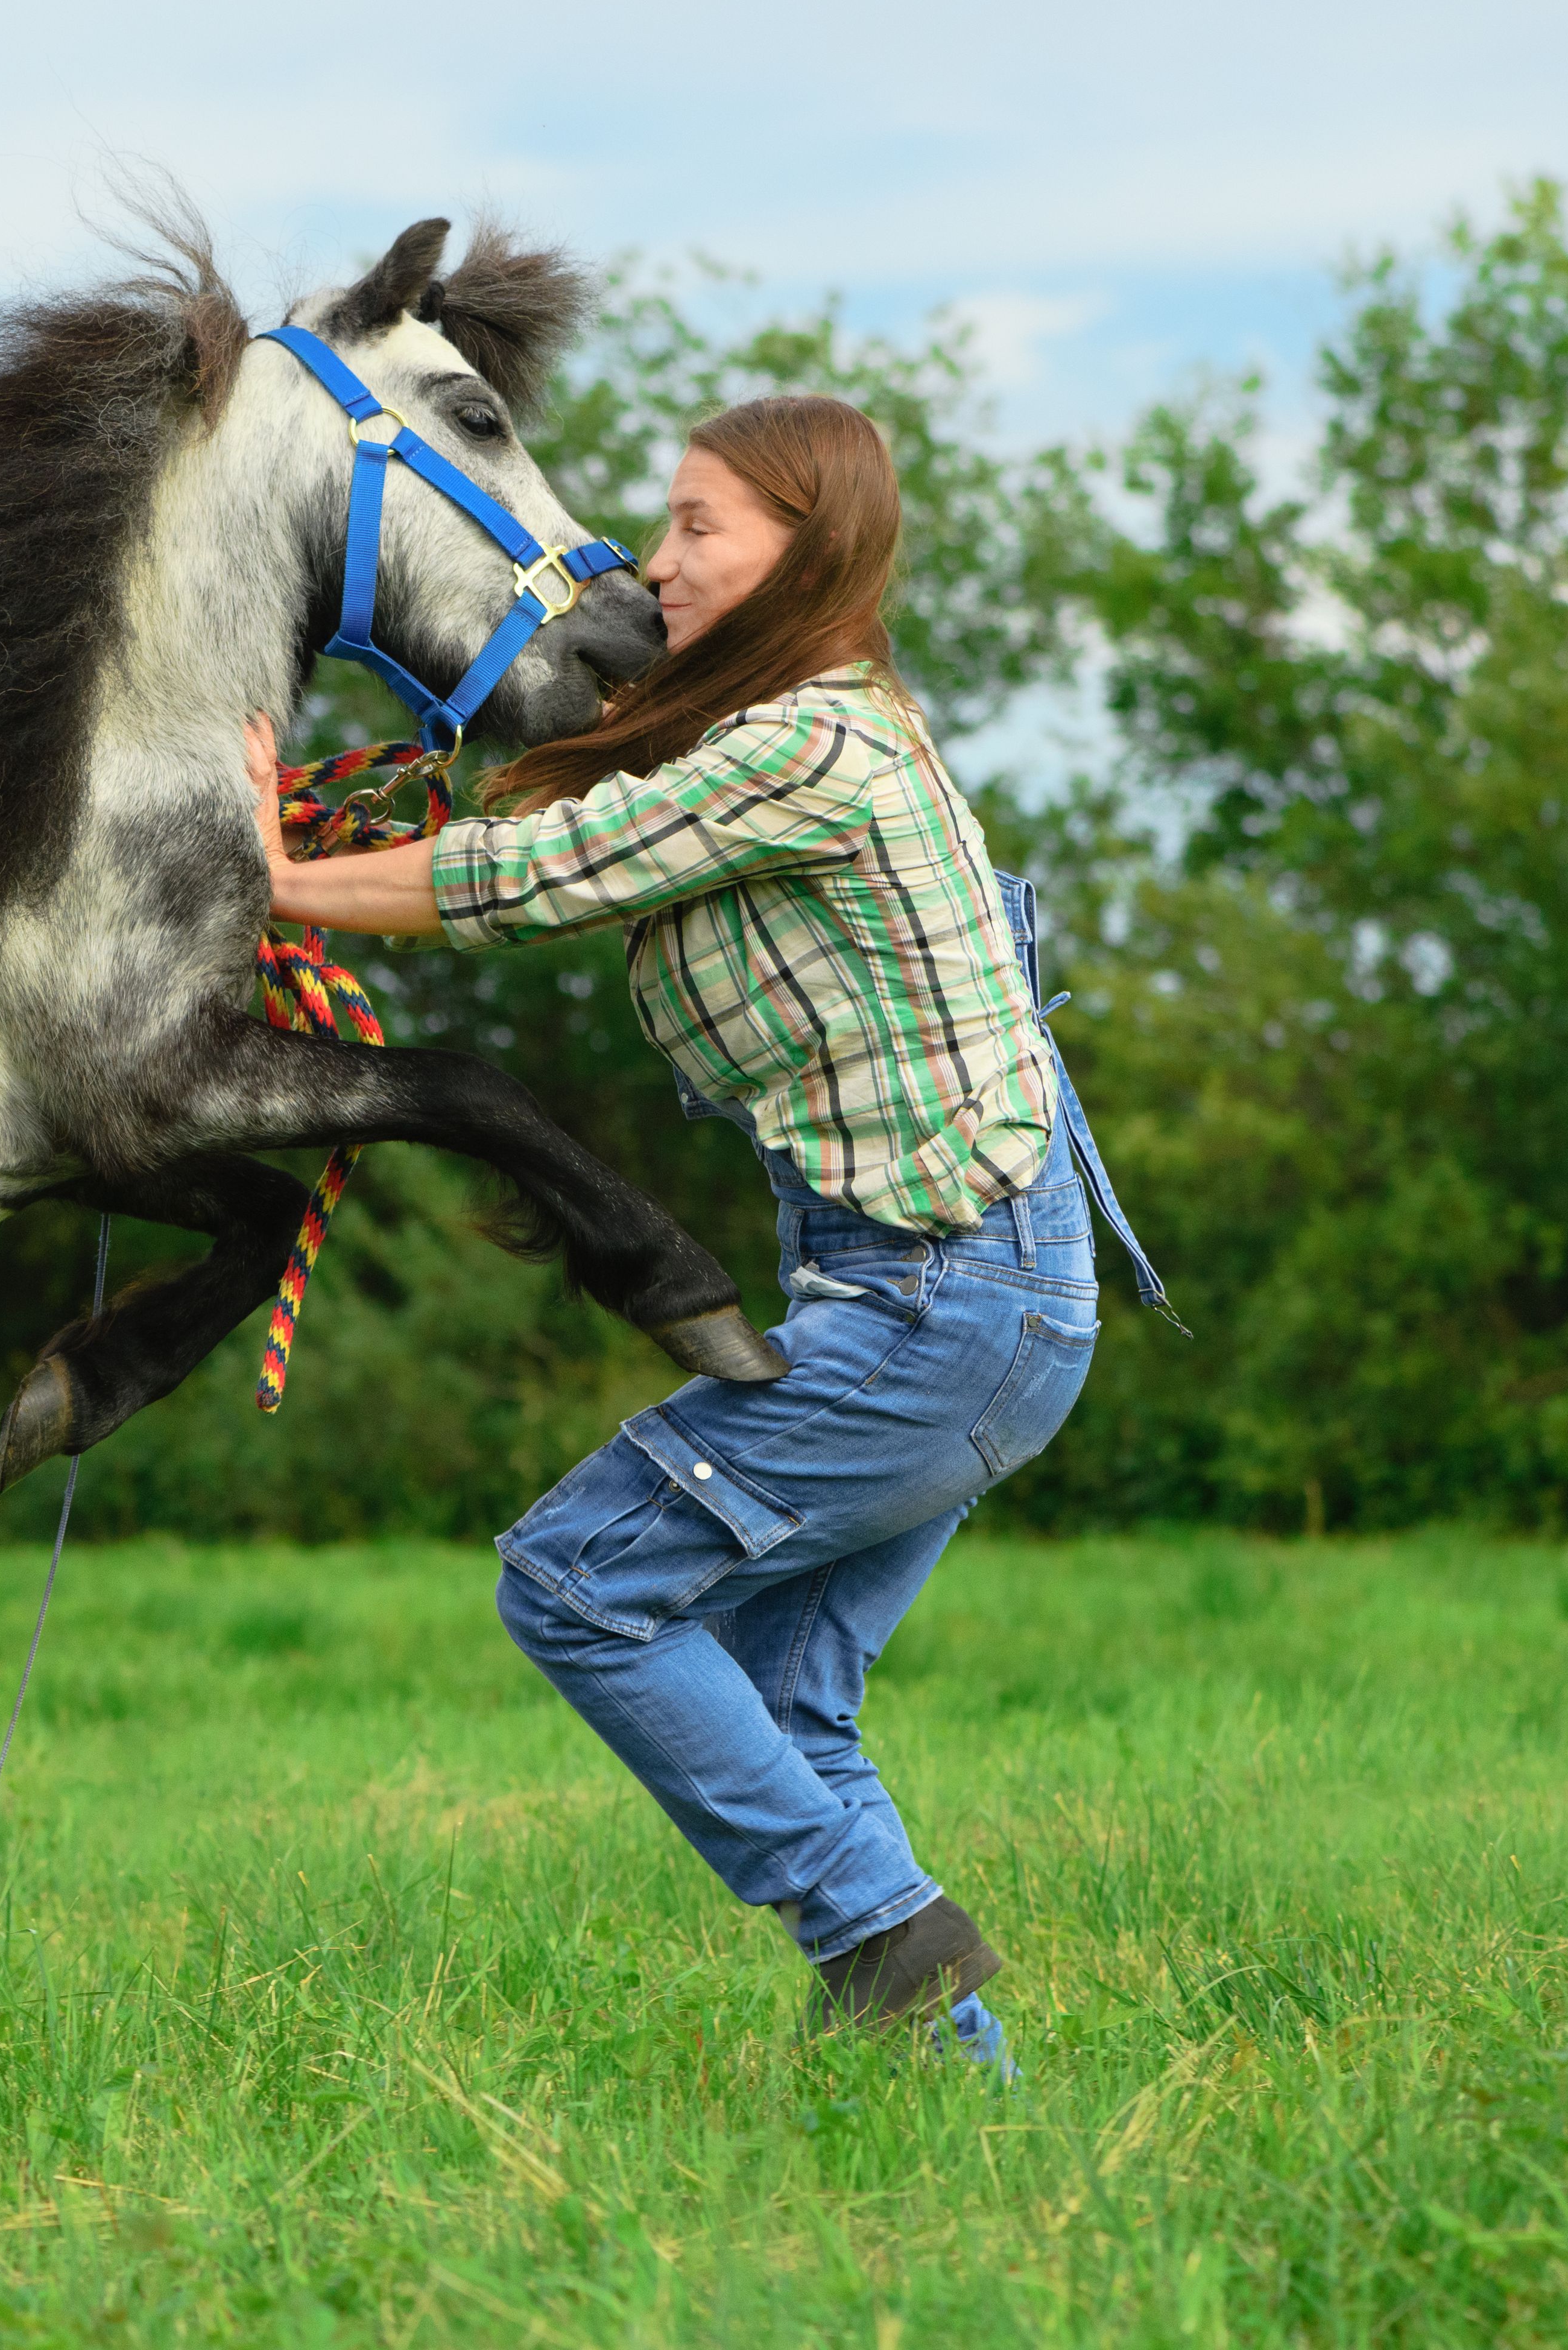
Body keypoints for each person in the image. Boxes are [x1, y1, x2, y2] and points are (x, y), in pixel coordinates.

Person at [247, 393, 1169, 2082]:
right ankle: (962, 2091)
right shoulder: (796, 735)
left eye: (697, 528)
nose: (652, 562)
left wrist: (266, 873)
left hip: (945, 1301)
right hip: (959, 1295)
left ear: (803, 553)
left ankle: (885, 1936)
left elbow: (538, 877)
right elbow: (570, 816)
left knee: (579, 1581)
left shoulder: (815, 744)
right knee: (786, 1690)